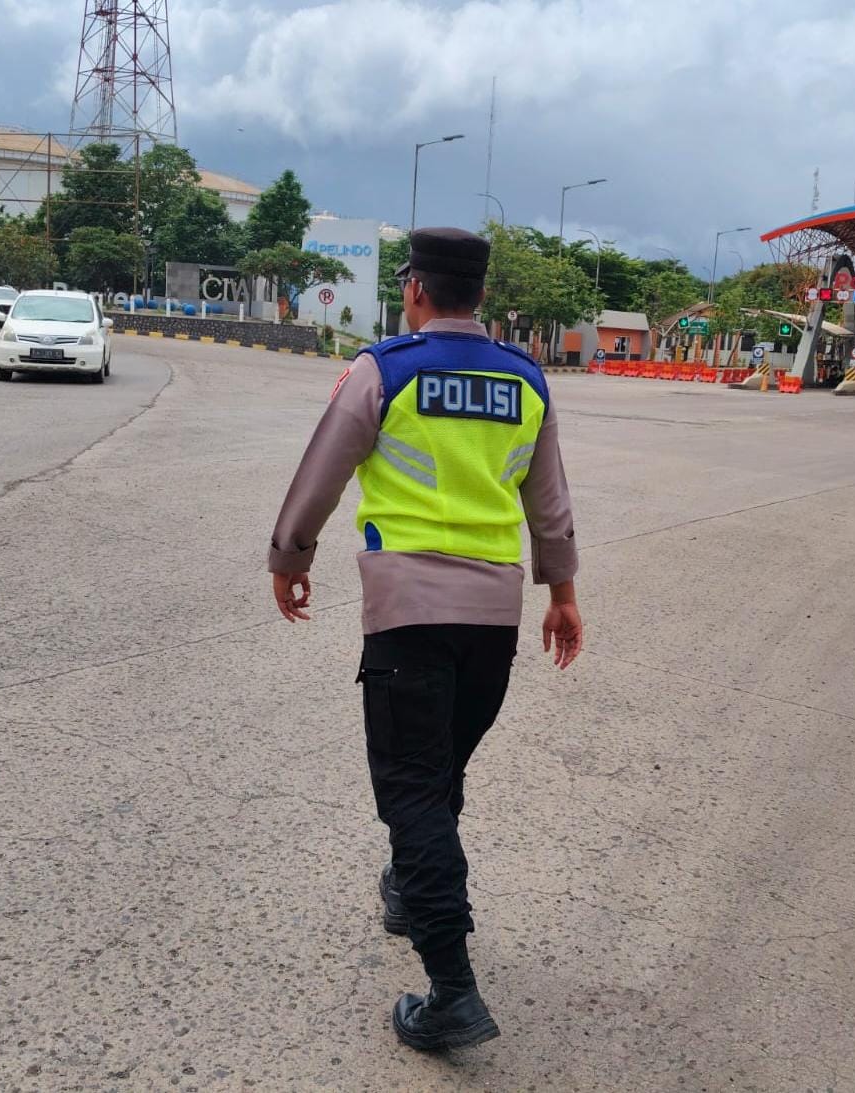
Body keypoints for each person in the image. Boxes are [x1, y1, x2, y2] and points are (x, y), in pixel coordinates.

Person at [268, 227, 583, 1051]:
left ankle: (451, 988)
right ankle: (412, 887)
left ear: (415, 289)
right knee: (438, 775)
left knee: (412, 790)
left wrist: (289, 557)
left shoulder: (386, 369)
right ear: (480, 295)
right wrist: (563, 595)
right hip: (493, 623)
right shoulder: (526, 379)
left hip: (408, 613)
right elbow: (549, 504)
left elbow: (322, 473)